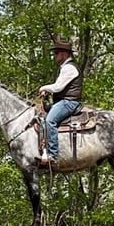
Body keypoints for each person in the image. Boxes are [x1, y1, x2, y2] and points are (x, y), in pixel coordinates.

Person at [38, 37, 83, 165]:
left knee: (50, 120)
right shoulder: (65, 67)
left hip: (69, 102)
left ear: (64, 53)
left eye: (56, 53)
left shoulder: (69, 68)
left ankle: (52, 155)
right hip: (63, 101)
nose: (54, 56)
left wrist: (44, 88)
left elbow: (58, 87)